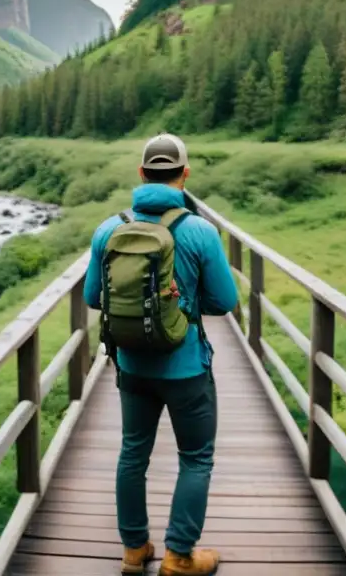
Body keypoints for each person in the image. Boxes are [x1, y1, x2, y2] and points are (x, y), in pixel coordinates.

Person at [84, 133, 239, 576]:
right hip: (187, 366)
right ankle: (179, 556)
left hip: (131, 363)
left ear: (141, 173)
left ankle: (134, 551)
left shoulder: (107, 229)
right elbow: (225, 301)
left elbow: (94, 297)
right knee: (196, 458)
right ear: (185, 174)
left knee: (133, 452)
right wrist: (183, 306)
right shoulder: (199, 232)